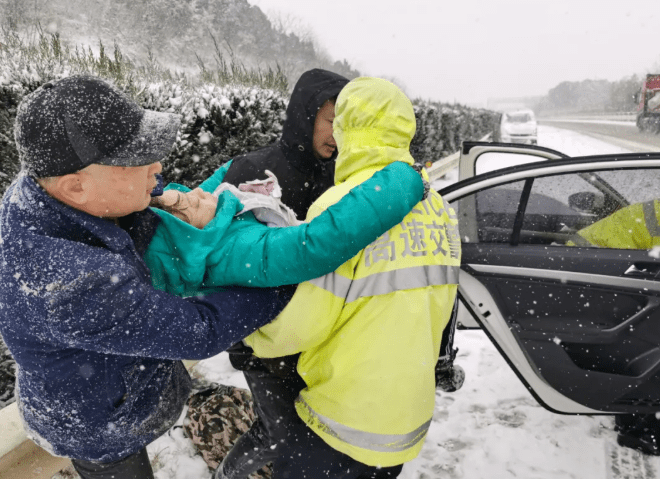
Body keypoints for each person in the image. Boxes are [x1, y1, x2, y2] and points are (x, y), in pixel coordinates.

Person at [0, 75, 425, 479]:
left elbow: (159, 187)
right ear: (76, 188)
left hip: (105, 378)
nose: (160, 169)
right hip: (100, 420)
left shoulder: (48, 191)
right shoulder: (69, 283)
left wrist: (177, 197)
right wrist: (280, 285)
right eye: (137, 160)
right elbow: (200, 331)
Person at [239, 77, 461, 478]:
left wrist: (254, 337)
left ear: (347, 128)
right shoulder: (437, 205)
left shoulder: (344, 203)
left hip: (342, 417)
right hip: (405, 419)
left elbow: (306, 322)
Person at [568, 199, 660, 455]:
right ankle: (637, 428)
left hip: (586, 267)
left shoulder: (654, 211)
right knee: (643, 344)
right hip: (589, 272)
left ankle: (632, 415)